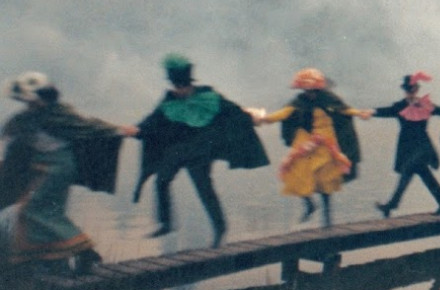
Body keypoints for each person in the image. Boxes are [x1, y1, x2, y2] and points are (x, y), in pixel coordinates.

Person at [0, 72, 135, 272]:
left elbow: (87, 126)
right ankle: (53, 261)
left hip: (57, 170)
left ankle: (85, 250)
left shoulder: (58, 114)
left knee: (34, 210)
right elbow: (13, 142)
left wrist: (119, 130)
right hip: (45, 170)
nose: (29, 103)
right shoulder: (28, 118)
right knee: (38, 213)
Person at [134, 54, 268, 246]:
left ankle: (220, 227)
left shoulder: (209, 97)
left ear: (189, 84)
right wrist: (138, 129)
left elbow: (234, 111)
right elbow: (153, 119)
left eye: (183, 87)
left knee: (204, 188)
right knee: (162, 180)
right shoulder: (169, 100)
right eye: (177, 87)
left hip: (201, 151)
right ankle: (166, 222)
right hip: (177, 150)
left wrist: (252, 118)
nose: (180, 91)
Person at [254, 68, 366, 227]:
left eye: (312, 90)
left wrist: (359, 113)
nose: (309, 94)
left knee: (325, 181)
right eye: (306, 90)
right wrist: (262, 118)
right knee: (294, 172)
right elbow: (282, 114)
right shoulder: (298, 102)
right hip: (306, 143)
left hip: (326, 144)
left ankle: (327, 221)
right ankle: (309, 204)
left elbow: (345, 110)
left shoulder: (329, 99)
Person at [368, 72, 440, 217]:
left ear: (417, 90)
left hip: (422, 146)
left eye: (413, 90)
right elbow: (386, 111)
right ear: (405, 91)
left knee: (408, 171)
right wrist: (371, 112)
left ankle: (391, 205)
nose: (410, 93)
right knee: (421, 174)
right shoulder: (400, 106)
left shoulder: (425, 105)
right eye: (408, 90)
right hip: (407, 147)